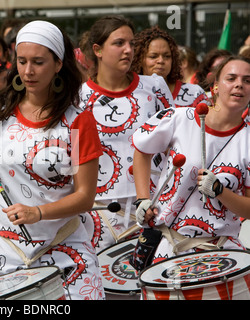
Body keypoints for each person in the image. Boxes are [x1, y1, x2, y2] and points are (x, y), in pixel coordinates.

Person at [0, 20, 105, 300]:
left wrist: (39, 212)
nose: (28, 71)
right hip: (8, 253)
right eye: (21, 61)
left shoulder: (78, 121)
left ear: (58, 64)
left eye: (38, 62)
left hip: (67, 250)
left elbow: (85, 196)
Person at [132, 55, 250, 264]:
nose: (239, 85)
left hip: (221, 254)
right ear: (214, 87)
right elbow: (142, 149)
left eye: (247, 80)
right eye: (231, 78)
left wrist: (220, 191)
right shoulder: (179, 118)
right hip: (169, 248)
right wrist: (143, 198)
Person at [79, 16, 175, 253]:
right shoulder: (78, 98)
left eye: (131, 44)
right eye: (119, 43)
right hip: (99, 215)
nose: (128, 50)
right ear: (97, 50)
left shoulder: (154, 87)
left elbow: (174, 145)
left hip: (153, 210)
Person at [131, 26, 208, 108]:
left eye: (167, 56)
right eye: (153, 56)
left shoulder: (195, 94)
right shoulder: (131, 96)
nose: (161, 60)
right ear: (139, 60)